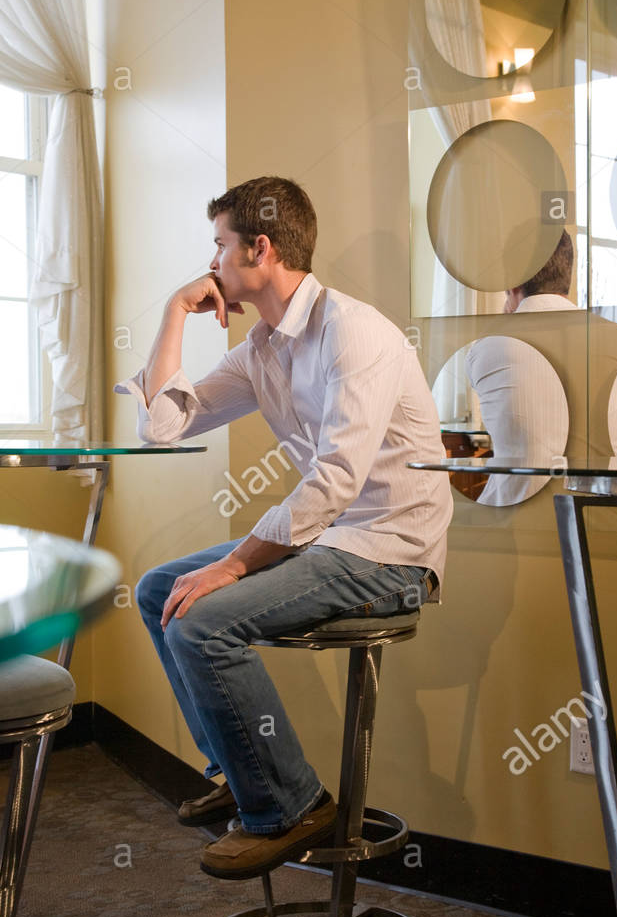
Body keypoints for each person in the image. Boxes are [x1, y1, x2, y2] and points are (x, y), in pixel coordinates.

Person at [116, 177, 453, 880]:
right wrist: (176, 313)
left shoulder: (355, 333)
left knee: (200, 624)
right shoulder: (262, 349)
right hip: (330, 541)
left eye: (220, 246)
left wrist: (232, 566)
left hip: (389, 552)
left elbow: (334, 481)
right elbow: (163, 423)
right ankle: (238, 775)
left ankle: (289, 806)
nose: (211, 264)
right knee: (158, 591)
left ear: (260, 248)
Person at [504, 231, 617, 460]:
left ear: (513, 283)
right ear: (567, 274)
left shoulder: (487, 348)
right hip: (607, 495)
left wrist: (506, 322)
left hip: (513, 496)